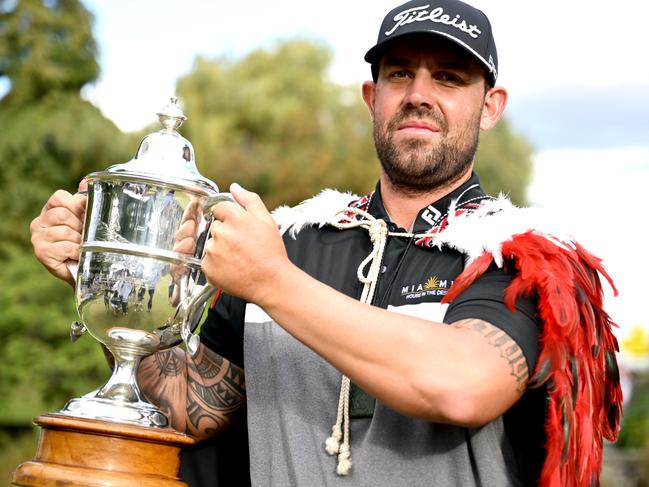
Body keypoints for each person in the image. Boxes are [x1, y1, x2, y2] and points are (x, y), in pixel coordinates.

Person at [30, 1, 621, 486]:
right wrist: (119, 280)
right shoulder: (288, 240)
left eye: (448, 77)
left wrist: (273, 283)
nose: (419, 93)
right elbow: (193, 407)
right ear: (372, 98)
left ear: (490, 106)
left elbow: (461, 386)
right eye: (399, 73)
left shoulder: (520, 256)